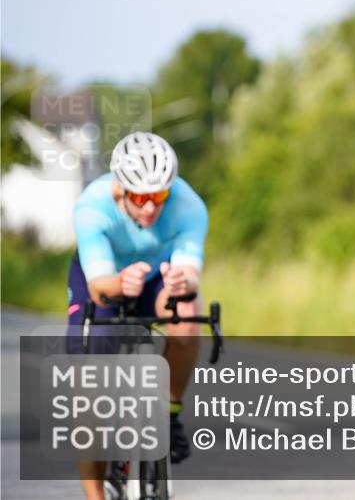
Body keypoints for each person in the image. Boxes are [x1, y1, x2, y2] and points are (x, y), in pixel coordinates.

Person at [67, 131, 208, 500]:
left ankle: (170, 410)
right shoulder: (92, 207)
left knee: (188, 312)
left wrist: (183, 282)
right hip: (105, 279)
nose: (150, 207)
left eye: (159, 195)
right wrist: (118, 283)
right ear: (120, 190)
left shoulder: (189, 205)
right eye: (141, 197)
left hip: (156, 277)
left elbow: (191, 275)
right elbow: (100, 287)